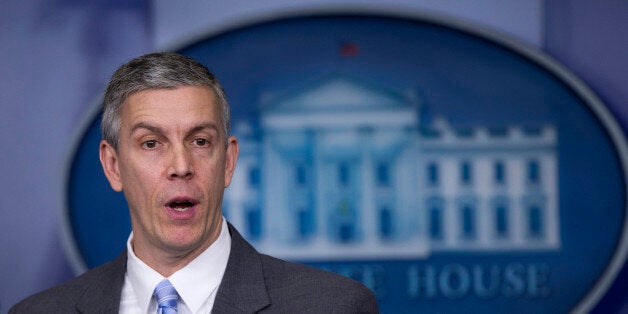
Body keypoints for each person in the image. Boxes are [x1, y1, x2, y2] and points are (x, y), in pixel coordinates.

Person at [10, 52, 378, 313]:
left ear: (228, 162)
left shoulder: (332, 306)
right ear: (113, 165)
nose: (181, 166)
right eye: (151, 143)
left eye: (200, 141)